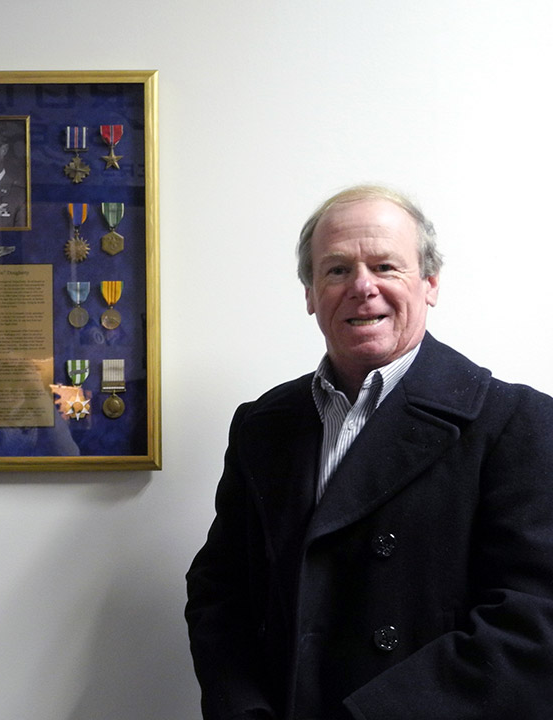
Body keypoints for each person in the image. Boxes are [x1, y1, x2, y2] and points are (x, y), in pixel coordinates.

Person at [185, 185, 553, 719]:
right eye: (336, 270)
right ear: (310, 293)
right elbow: (221, 596)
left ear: (429, 283)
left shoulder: (519, 423)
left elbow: (534, 622)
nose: (363, 287)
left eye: (385, 266)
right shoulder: (262, 426)